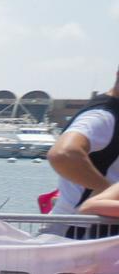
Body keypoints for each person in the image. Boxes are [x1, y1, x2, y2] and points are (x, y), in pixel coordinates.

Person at [45, 65, 119, 227]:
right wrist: (109, 193)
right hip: (77, 232)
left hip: (99, 231)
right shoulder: (102, 116)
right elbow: (63, 154)